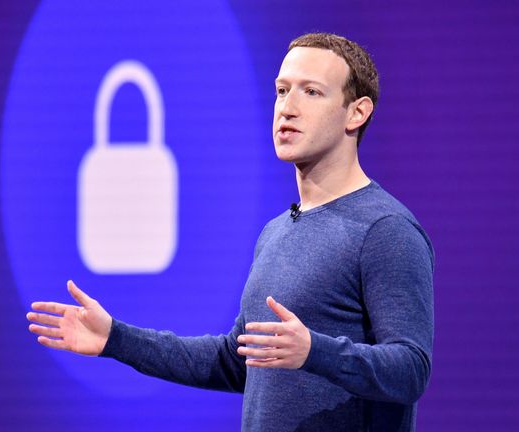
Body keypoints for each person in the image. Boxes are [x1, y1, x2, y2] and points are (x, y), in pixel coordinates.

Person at [26, 32, 434, 432]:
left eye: (311, 92)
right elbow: (234, 361)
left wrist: (314, 350)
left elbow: (411, 369)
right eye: (281, 90)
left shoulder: (385, 229)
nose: (287, 108)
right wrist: (117, 339)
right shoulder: (277, 231)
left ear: (357, 113)